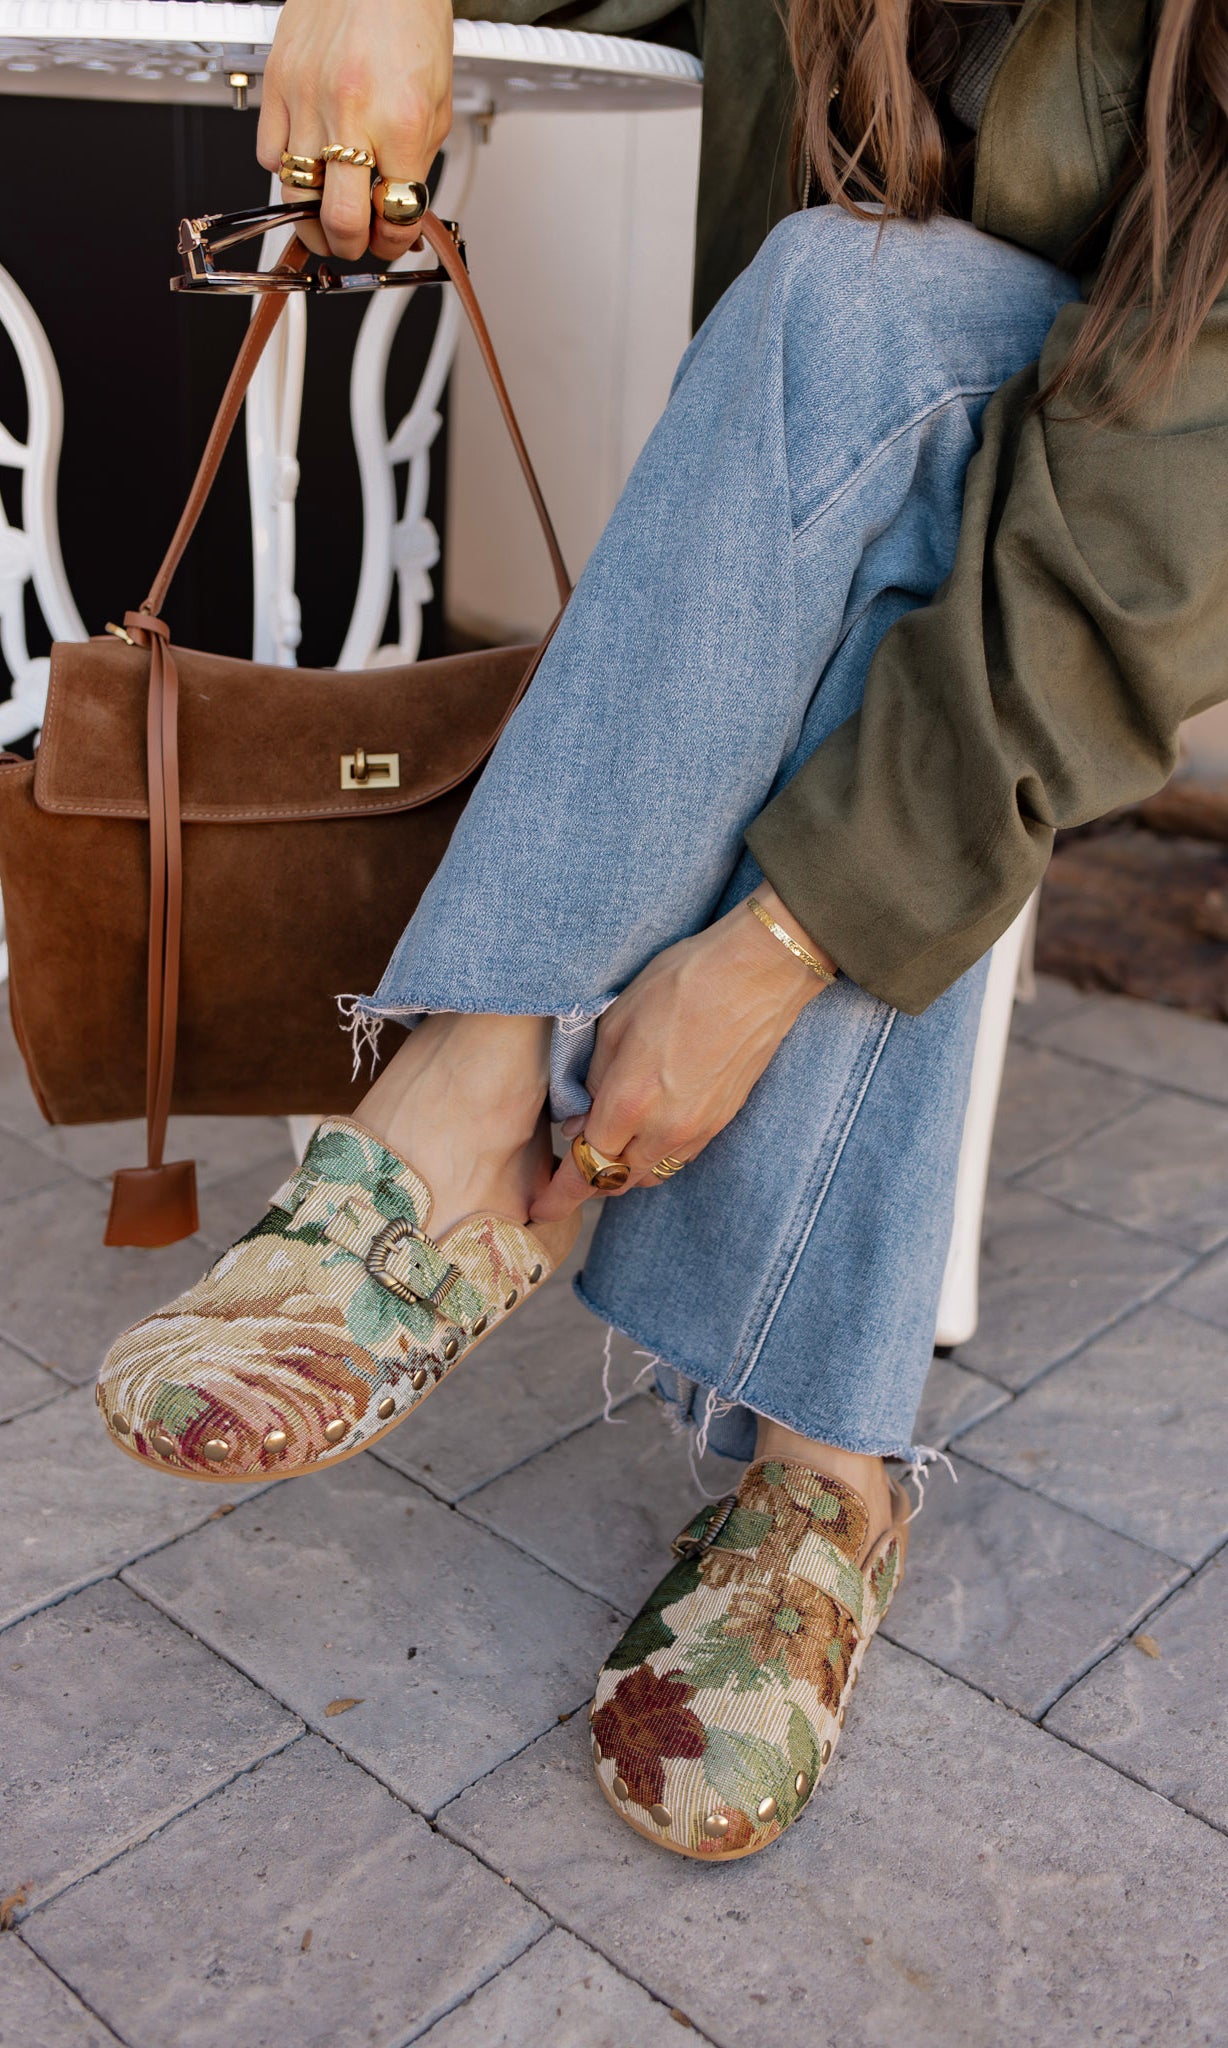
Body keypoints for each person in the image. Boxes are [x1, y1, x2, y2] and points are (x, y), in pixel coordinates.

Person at [96, 0, 1228, 1862]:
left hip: (1161, 482)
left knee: (873, 351)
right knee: (850, 305)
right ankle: (820, 1470)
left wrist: (772, 950)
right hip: (883, 421)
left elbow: (1146, 524)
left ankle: (469, 1108)